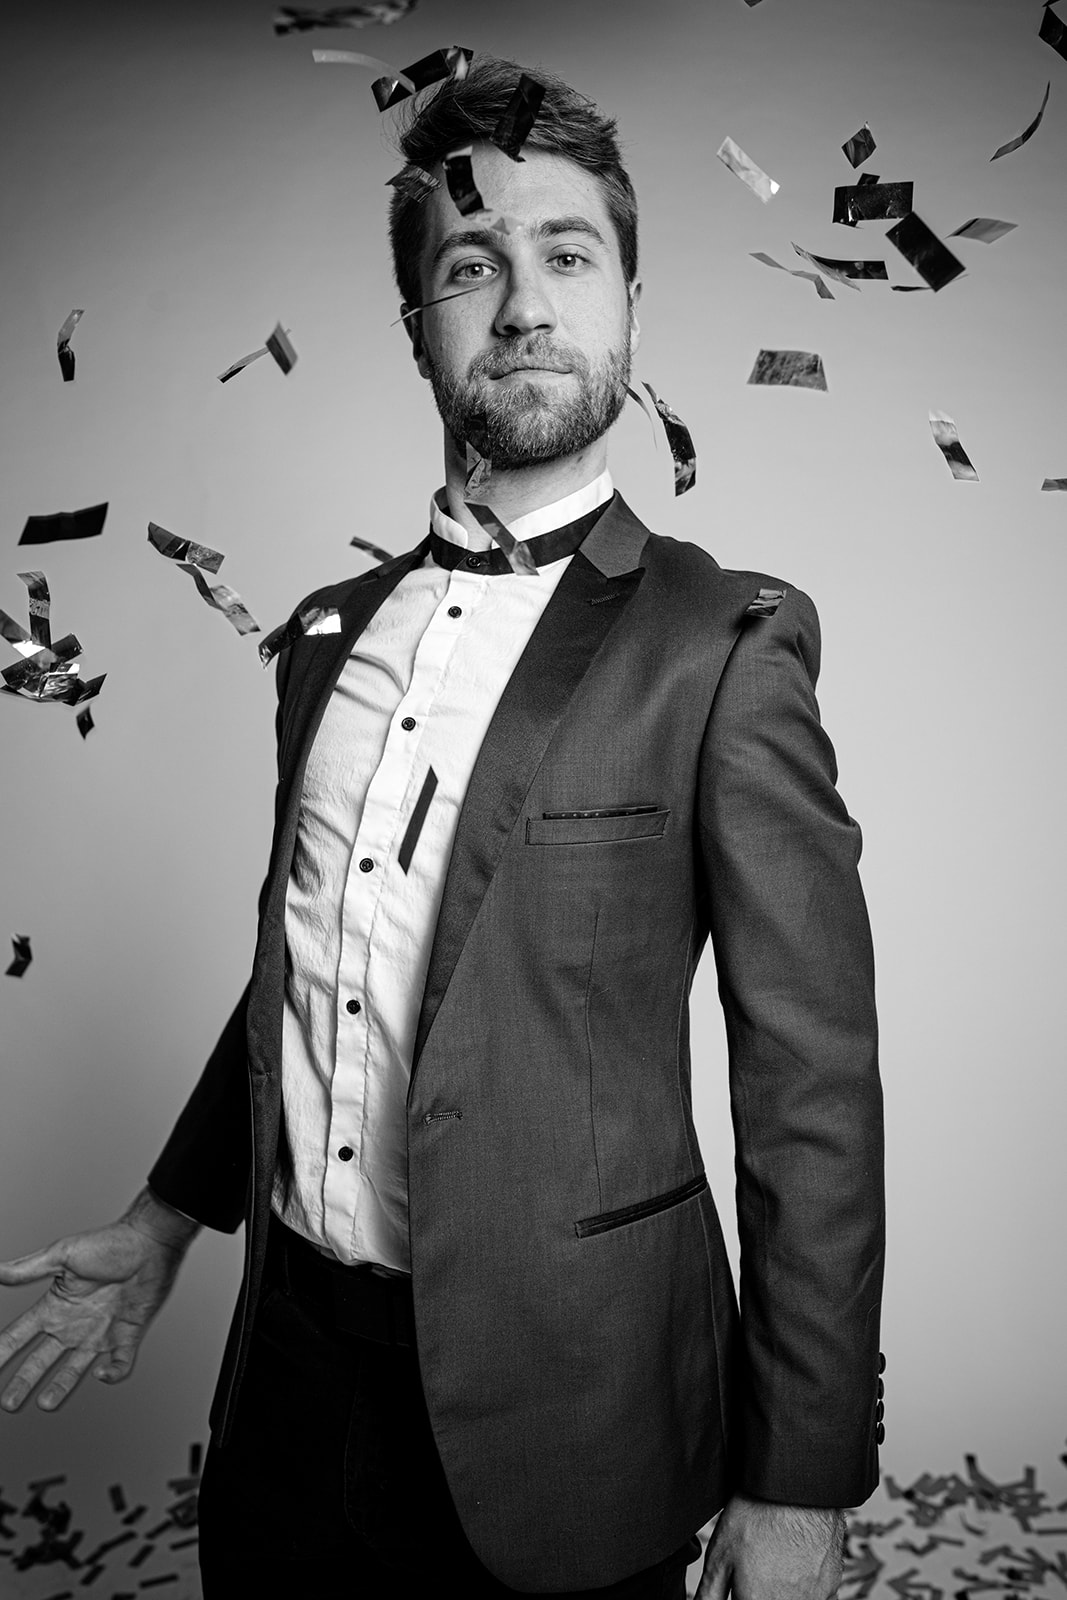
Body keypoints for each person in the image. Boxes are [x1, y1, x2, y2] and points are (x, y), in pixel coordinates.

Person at [0, 56, 885, 1600]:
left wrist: (799, 1480)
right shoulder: (327, 638)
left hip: (578, 1413)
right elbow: (312, 971)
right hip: (286, 1386)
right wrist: (159, 1224)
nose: (527, 305)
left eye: (569, 256)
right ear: (419, 321)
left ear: (626, 300)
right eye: (474, 265)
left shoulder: (723, 642)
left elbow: (813, 1090)